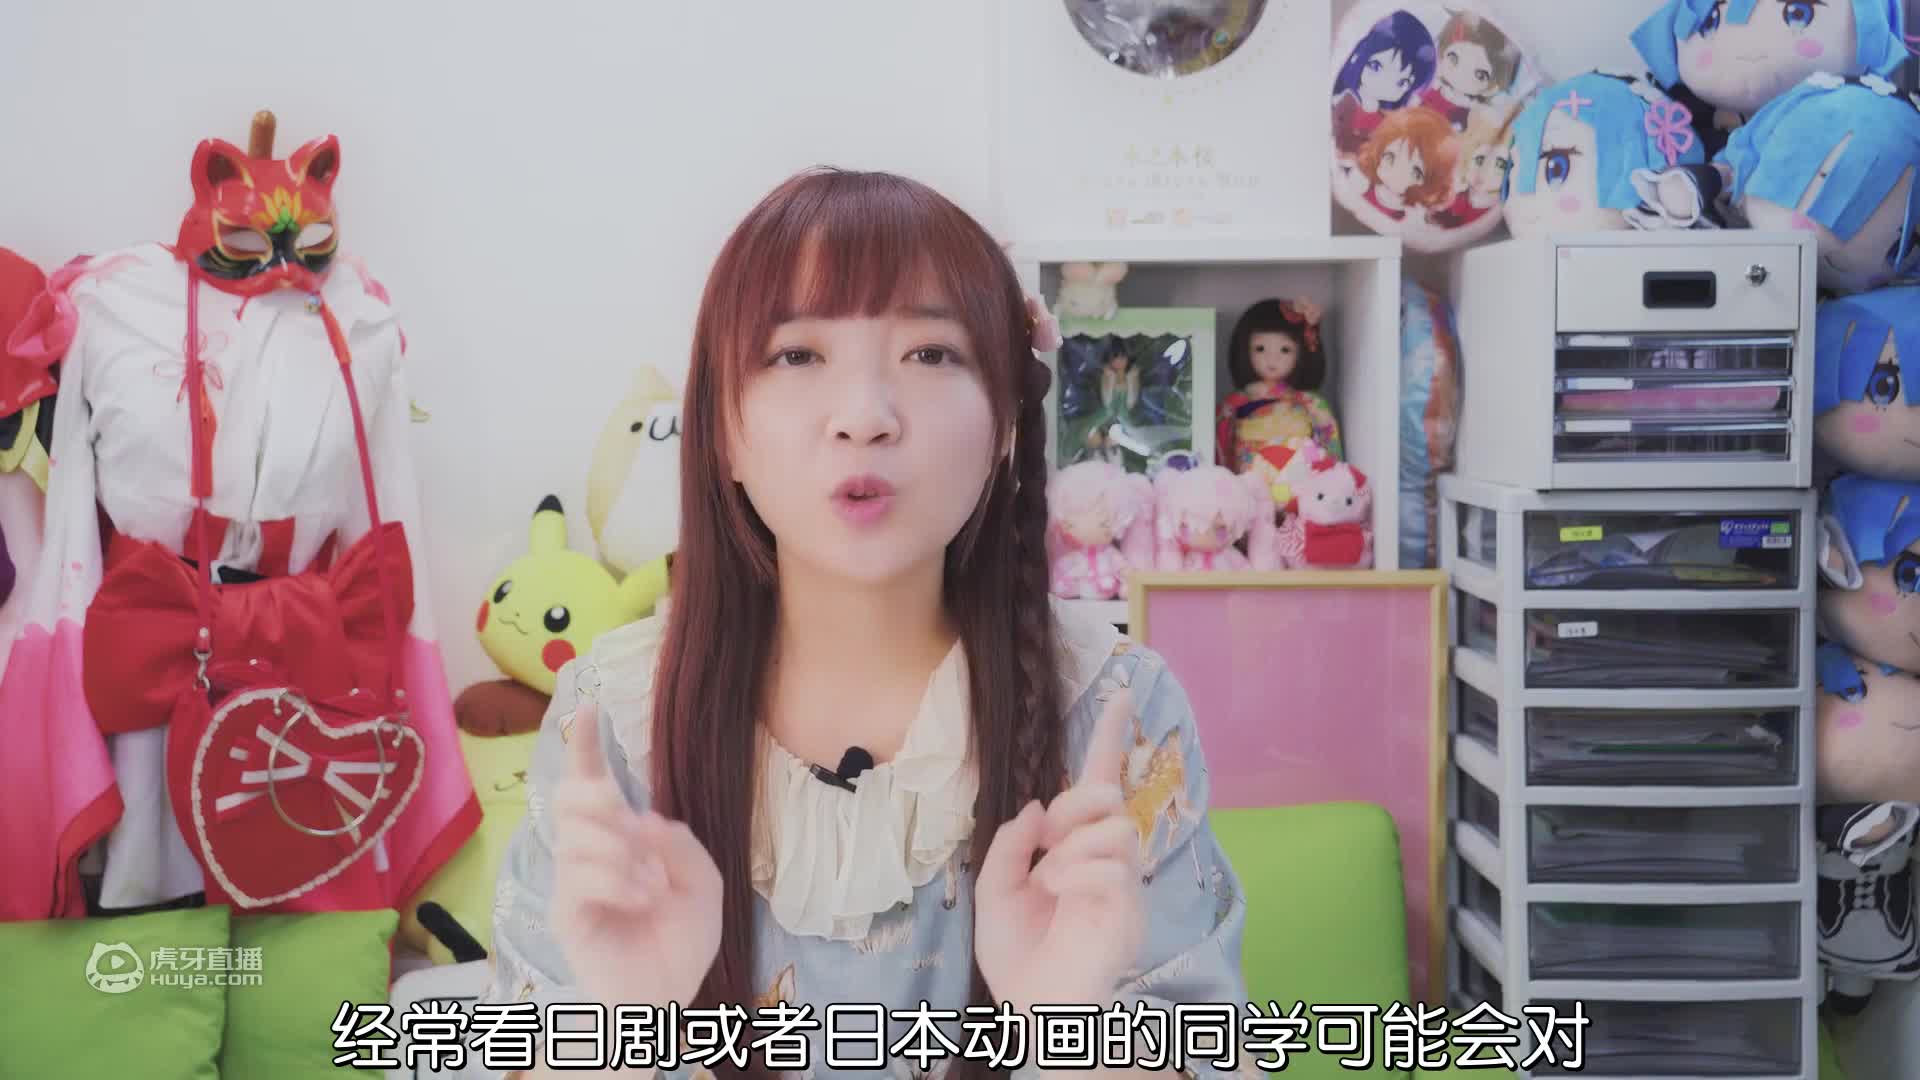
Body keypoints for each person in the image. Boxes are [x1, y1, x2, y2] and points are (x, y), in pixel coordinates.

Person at [462, 168, 1249, 1080]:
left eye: (930, 354)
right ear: (722, 428)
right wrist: (620, 1030)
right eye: (798, 355)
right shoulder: (615, 718)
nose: (865, 418)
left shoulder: (1112, 710)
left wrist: (1070, 1031)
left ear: (1004, 423)